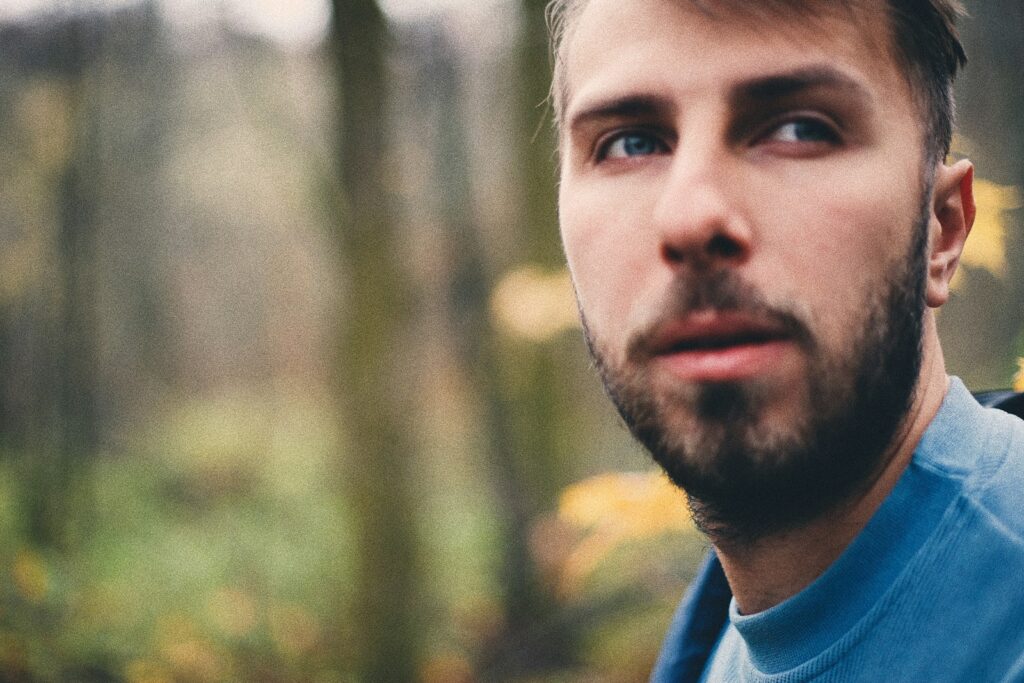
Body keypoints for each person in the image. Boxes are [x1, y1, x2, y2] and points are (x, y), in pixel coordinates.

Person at [546, 0, 1024, 680]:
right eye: (631, 143)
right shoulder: (711, 650)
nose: (691, 218)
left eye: (800, 130)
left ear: (942, 232)